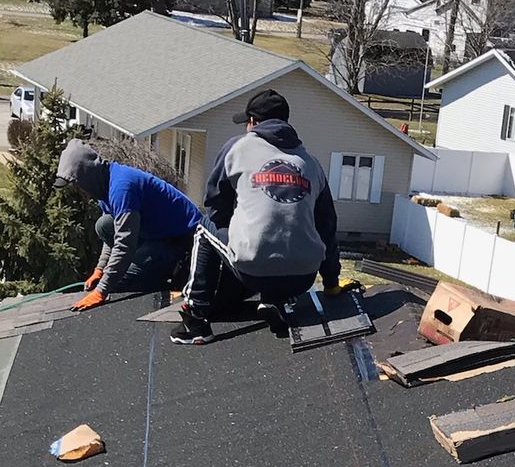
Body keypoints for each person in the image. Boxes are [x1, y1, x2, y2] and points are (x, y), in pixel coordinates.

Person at [171, 88, 341, 344]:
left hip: (253, 270)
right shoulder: (311, 163)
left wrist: (239, 225)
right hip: (304, 276)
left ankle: (196, 317)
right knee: (283, 237)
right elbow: (327, 225)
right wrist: (331, 282)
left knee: (204, 227)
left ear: (254, 122)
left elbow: (215, 204)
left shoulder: (237, 148)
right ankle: (274, 301)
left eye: (248, 122)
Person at [55, 139, 204, 310]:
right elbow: (114, 233)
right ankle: (146, 264)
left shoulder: (121, 188)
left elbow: (124, 244)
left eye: (78, 184)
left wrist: (101, 290)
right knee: (103, 225)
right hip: (156, 232)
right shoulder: (105, 183)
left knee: (123, 281)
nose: (80, 190)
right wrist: (100, 268)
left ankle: (163, 277)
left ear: (87, 176)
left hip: (182, 238)